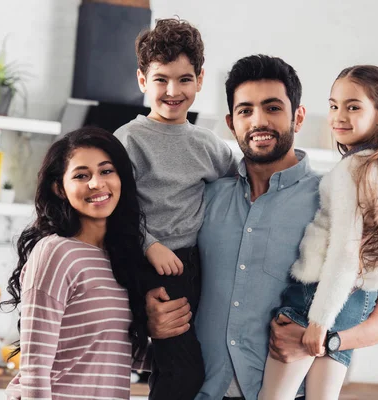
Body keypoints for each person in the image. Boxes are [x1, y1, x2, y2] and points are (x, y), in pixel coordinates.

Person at [145, 55, 378, 400]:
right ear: (231, 123)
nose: (259, 121)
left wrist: (328, 340)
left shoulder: (333, 198)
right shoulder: (206, 198)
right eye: (245, 111)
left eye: (273, 108)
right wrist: (151, 314)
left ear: (298, 117)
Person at [258, 65, 378, 399]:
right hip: (357, 302)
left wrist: (319, 320)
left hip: (319, 297)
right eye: (334, 105)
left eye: (353, 106)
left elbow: (346, 249)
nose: (339, 116)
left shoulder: (354, 167)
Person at [114, 17, 239, 400]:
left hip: (197, 265)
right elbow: (116, 210)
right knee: (182, 370)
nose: (173, 90)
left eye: (184, 79)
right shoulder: (128, 140)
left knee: (195, 365)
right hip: (153, 265)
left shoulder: (210, 146)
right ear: (142, 81)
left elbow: (241, 190)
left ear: (200, 80)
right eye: (161, 79)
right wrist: (149, 244)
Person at [3, 127, 149, 400]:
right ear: (60, 188)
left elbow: (113, 348)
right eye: (82, 175)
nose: (96, 183)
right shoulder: (55, 253)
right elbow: (35, 367)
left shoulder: (121, 258)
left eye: (107, 171)